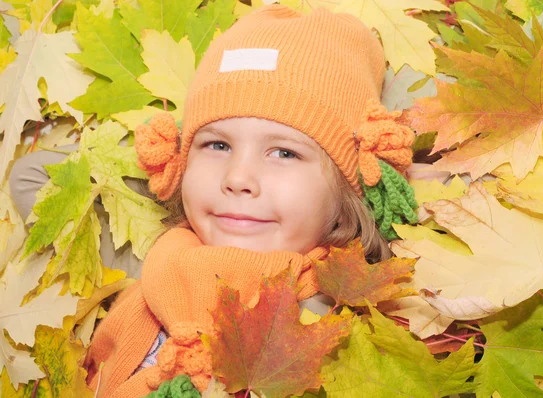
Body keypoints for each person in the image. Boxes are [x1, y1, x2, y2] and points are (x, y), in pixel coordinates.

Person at [82, 5, 416, 397]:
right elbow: (30, 174)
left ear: (349, 188)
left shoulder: (334, 332)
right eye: (217, 144)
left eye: (284, 153)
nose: (238, 178)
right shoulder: (148, 258)